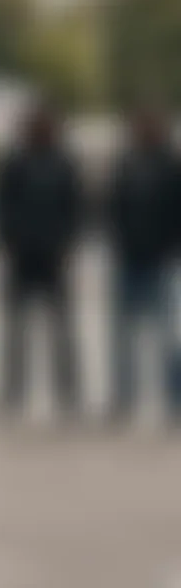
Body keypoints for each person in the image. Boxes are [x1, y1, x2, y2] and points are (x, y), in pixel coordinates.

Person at [0, 98, 84, 419]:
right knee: (15, 333)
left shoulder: (65, 163)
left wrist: (67, 243)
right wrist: (7, 240)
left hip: (54, 259)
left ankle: (67, 393)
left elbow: (77, 208)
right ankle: (12, 392)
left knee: (62, 333)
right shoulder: (13, 162)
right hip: (21, 259)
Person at [105, 105, 181, 424]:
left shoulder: (171, 165)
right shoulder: (125, 163)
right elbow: (112, 206)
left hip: (160, 261)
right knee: (122, 337)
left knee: (168, 337)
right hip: (127, 259)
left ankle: (174, 401)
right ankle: (124, 399)